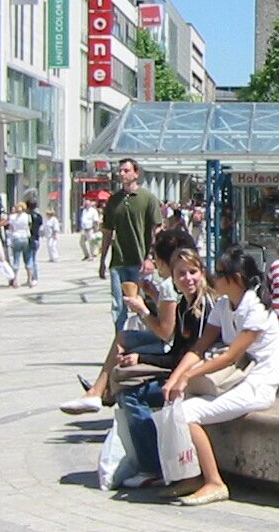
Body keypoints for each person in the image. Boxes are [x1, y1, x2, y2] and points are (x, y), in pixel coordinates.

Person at [159, 246, 279, 506]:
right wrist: (176, 377)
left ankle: (214, 482)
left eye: (218, 274)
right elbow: (199, 347)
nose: (212, 279)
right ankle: (190, 475)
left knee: (186, 413)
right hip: (232, 380)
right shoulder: (224, 304)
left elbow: (229, 356)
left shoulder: (257, 309)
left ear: (235, 279)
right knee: (174, 403)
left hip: (256, 384)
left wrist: (187, 377)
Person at [60, 229, 194, 414]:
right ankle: (99, 392)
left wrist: (142, 310)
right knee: (123, 337)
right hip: (182, 343)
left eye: (155, 258)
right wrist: (154, 296)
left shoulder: (169, 285)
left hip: (172, 348)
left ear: (164, 261)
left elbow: (166, 331)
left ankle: (101, 393)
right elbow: (175, 316)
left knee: (124, 341)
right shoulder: (179, 282)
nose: (154, 264)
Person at [114, 246, 217, 482]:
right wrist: (140, 359)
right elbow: (176, 353)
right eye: (181, 274)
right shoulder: (184, 306)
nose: (188, 279)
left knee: (132, 396)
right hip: (182, 372)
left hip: (196, 379)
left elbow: (194, 353)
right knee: (126, 386)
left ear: (202, 272)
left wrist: (142, 311)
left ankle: (153, 467)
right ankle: (152, 461)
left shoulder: (204, 307)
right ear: (172, 277)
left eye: (192, 272)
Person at [99, 158, 163, 334]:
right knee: (118, 306)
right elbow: (107, 232)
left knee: (142, 303)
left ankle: (145, 337)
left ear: (136, 173)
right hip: (118, 261)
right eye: (120, 171)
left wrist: (151, 258)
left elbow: (156, 230)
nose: (122, 174)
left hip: (140, 261)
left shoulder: (148, 198)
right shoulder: (114, 200)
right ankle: (120, 342)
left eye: (126, 171)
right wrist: (103, 259)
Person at [8, 199, 33, 288]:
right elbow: (29, 226)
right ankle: (29, 279)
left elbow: (11, 228)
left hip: (16, 237)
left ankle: (15, 280)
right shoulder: (27, 216)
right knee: (28, 258)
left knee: (16, 259)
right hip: (25, 237)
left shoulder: (12, 217)